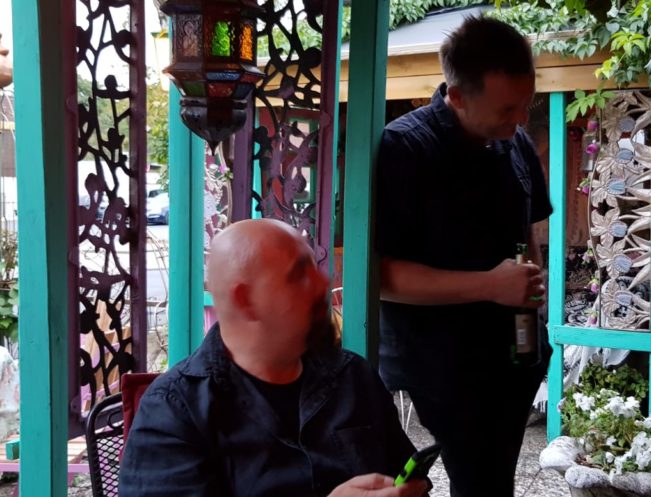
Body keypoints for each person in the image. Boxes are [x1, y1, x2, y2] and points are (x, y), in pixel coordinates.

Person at [375, 15, 553, 497]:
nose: (521, 119)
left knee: (494, 481)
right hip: (443, 364)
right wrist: (490, 285)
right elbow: (381, 277)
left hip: (516, 355)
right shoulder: (405, 148)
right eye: (507, 108)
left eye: (526, 104)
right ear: (456, 96)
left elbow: (529, 226)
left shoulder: (513, 141)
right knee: (478, 482)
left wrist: (532, 288)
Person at [120, 219, 428, 497]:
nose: (322, 284)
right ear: (246, 300)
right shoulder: (174, 411)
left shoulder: (353, 377)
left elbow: (406, 478)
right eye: (299, 275)